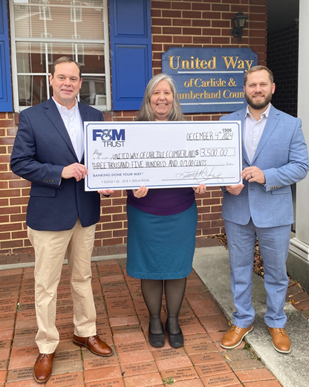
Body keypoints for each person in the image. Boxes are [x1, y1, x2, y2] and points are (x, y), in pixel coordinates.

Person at [10, 57, 113, 384]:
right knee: (47, 283)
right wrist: (60, 171)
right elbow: (20, 163)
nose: (68, 83)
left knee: (82, 276)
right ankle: (47, 345)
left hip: (85, 210)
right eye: (62, 77)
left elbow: (102, 161)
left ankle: (85, 332)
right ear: (51, 80)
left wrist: (107, 180)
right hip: (49, 212)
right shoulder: (32, 117)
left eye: (74, 78)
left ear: (81, 83)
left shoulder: (94, 116)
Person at [219, 65, 309, 354]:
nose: (257, 89)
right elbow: (219, 165)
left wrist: (267, 175)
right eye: (251, 85)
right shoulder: (226, 122)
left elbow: (300, 166)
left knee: (276, 272)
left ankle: (276, 321)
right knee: (239, 269)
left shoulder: (290, 124)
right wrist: (226, 184)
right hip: (237, 208)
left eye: (262, 84)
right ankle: (242, 320)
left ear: (272, 88)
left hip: (275, 210)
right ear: (244, 90)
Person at [126, 73, 206, 348]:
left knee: (176, 267)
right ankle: (154, 319)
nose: (162, 98)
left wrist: (201, 180)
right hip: (144, 209)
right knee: (149, 267)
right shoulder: (134, 130)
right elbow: (123, 168)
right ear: (148, 98)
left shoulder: (187, 130)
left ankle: (173, 319)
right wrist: (130, 186)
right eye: (156, 93)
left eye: (167, 93)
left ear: (174, 99)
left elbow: (199, 164)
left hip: (181, 209)